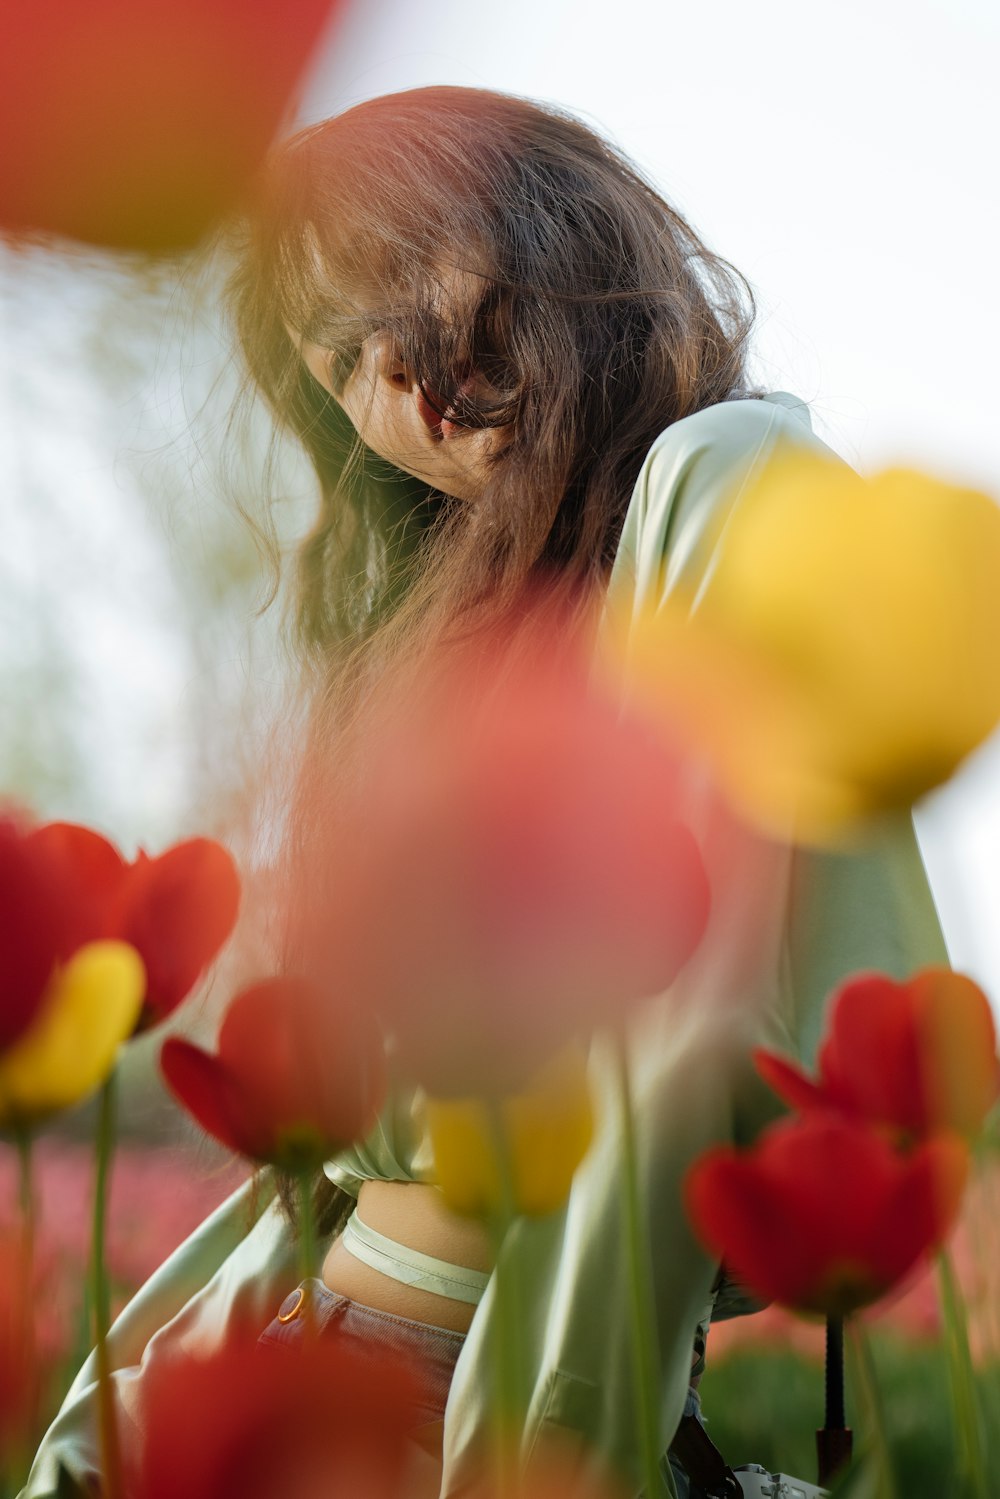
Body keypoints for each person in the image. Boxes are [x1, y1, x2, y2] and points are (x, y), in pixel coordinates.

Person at [21, 87, 948, 1499]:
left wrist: (553, 1441)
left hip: (505, 1401)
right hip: (338, 1362)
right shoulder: (444, 651)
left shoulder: (722, 481)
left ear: (550, 239)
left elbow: (680, 1060)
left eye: (406, 287)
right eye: (340, 359)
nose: (399, 373)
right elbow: (323, 1170)